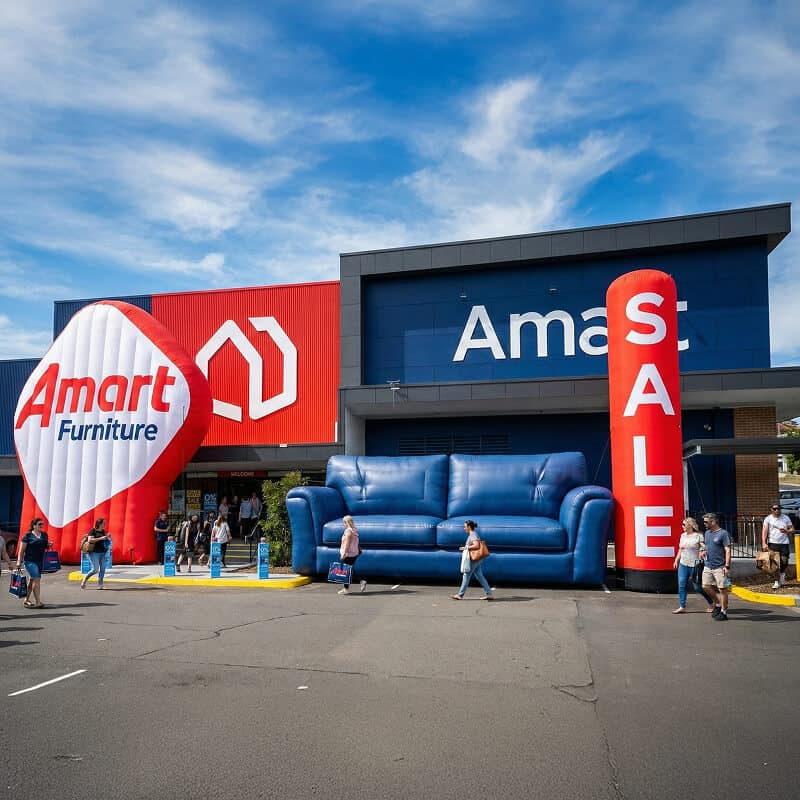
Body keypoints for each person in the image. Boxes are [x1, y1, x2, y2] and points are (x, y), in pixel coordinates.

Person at [671, 517, 715, 614]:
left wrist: (702, 550)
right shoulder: (683, 536)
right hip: (683, 564)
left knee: (698, 587)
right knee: (681, 586)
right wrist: (676, 560)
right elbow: (680, 549)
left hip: (695, 565)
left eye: (684, 524)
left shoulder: (698, 536)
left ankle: (712, 602)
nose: (682, 526)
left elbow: (704, 547)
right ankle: (682, 607)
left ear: (690, 525)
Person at [451, 519, 494, 601]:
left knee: (466, 575)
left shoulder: (473, 534)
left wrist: (466, 547)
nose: (464, 528)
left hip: (474, 559)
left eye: (465, 527)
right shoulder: (473, 534)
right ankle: (489, 594)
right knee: (480, 576)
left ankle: (460, 595)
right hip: (477, 559)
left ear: (469, 527)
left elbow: (477, 545)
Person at [701, 512, 731, 621]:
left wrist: (727, 566)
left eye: (706, 522)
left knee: (722, 589)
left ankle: (724, 612)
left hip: (720, 566)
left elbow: (727, 550)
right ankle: (717, 604)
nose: (704, 524)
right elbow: (706, 546)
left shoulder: (723, 534)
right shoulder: (707, 533)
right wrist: (703, 551)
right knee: (705, 586)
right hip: (708, 565)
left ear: (713, 522)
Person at [15, 518, 49, 609]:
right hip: (29, 561)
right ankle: (38, 602)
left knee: (32, 580)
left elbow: (45, 546)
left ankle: (26, 599)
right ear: (34, 526)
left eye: (42, 524)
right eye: (39, 524)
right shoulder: (27, 536)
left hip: (40, 561)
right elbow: (21, 550)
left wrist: (49, 545)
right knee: (36, 579)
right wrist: (19, 561)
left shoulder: (44, 535)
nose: (42, 526)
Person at [762, 502, 794, 589]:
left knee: (784, 561)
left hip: (784, 543)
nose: (777, 510)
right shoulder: (768, 519)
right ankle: (776, 581)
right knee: (774, 564)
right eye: (775, 509)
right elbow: (764, 532)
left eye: (779, 509)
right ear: (771, 510)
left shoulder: (785, 518)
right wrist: (764, 543)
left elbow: (792, 529)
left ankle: (782, 574)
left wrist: (787, 531)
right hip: (773, 543)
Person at [337, 515, 366, 595]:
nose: (343, 524)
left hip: (348, 554)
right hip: (354, 553)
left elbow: (347, 543)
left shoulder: (348, 531)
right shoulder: (354, 530)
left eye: (344, 522)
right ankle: (357, 583)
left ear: (346, 522)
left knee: (346, 571)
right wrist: (359, 549)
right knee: (349, 570)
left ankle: (349, 587)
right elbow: (356, 542)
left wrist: (344, 554)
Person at [80, 518, 111, 589]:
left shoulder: (103, 531)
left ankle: (100, 585)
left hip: (103, 553)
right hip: (94, 552)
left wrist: (107, 537)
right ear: (99, 524)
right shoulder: (93, 530)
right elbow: (90, 540)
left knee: (103, 569)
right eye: (104, 523)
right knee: (95, 569)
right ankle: (84, 580)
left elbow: (105, 540)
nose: (105, 525)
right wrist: (101, 538)